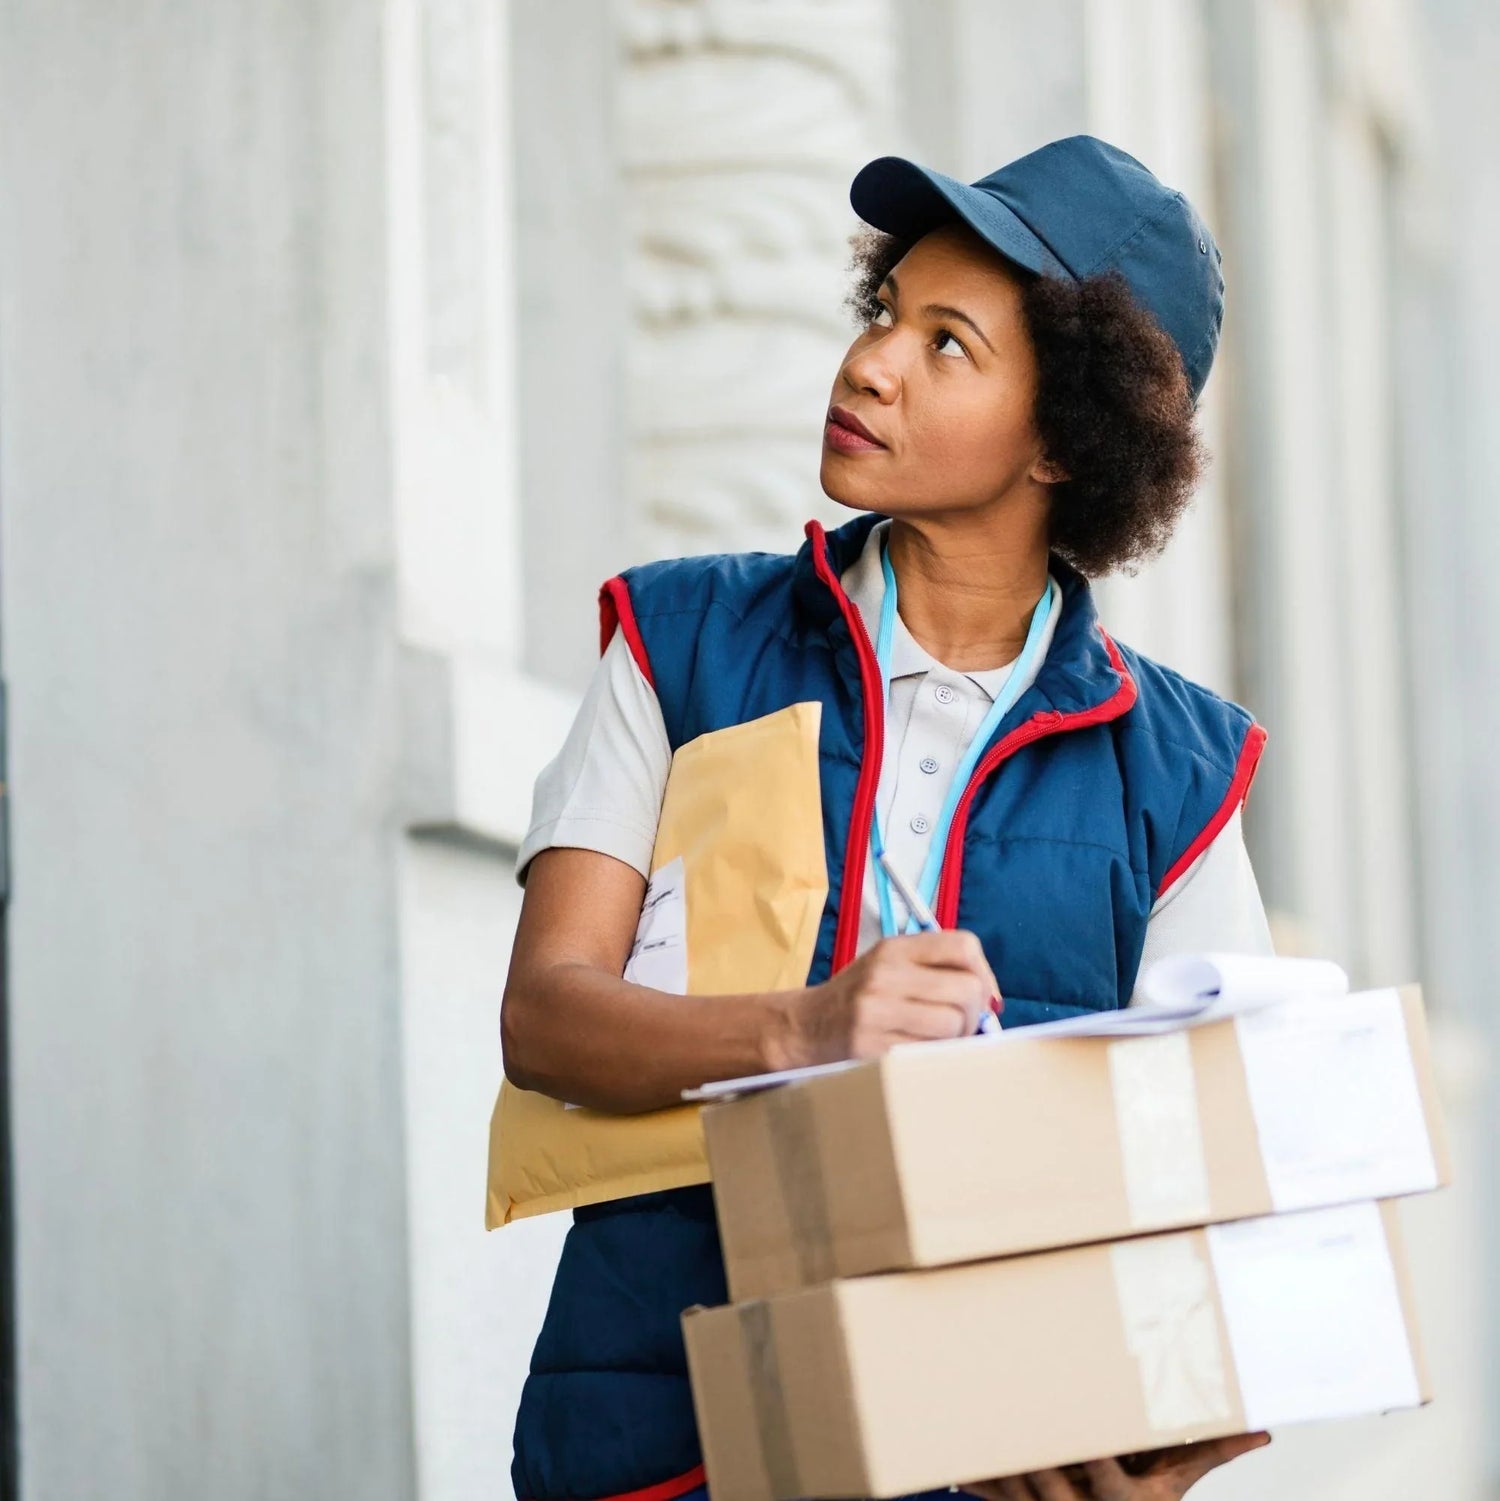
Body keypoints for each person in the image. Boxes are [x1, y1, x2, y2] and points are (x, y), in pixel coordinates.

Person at [496, 136, 1275, 1501]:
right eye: (883, 313)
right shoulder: (674, 644)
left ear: (1066, 441)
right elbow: (546, 1012)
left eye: (950, 343)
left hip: (986, 1465)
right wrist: (804, 1027)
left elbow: (1217, 1176)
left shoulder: (1184, 777)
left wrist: (1157, 1455)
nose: (871, 363)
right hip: (666, 1447)